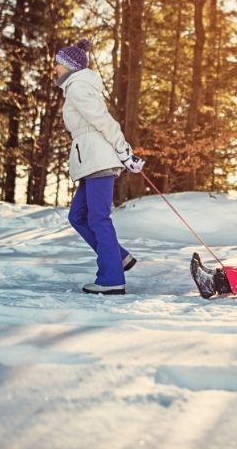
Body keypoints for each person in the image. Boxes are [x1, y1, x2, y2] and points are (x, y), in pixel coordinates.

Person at [54, 39, 145, 295]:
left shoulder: (78, 88)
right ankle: (119, 258)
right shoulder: (76, 87)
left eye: (58, 65)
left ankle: (111, 278)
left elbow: (104, 121)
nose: (55, 69)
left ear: (70, 66)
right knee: (78, 216)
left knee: (98, 218)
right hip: (90, 161)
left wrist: (124, 151)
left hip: (98, 160)